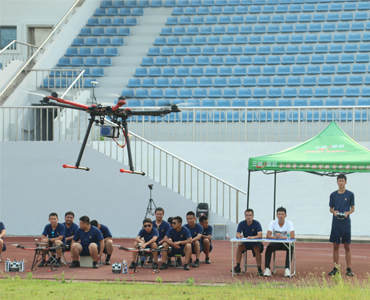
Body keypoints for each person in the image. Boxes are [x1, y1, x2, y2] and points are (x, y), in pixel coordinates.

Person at [328, 174, 355, 276]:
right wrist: (334, 212)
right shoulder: (333, 195)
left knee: (347, 246)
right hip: (336, 223)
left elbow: (353, 208)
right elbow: (331, 208)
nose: (341, 183)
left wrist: (347, 213)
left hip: (346, 224)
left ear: (346, 182)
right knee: (335, 246)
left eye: (343, 181)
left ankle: (349, 269)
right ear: (337, 182)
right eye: (339, 181)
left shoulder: (350, 194)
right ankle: (335, 268)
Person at [264, 207, 295, 277]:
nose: (280, 216)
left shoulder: (289, 223)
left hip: (286, 243)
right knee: (269, 248)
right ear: (276, 215)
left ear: (285, 215)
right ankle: (267, 269)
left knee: (290, 247)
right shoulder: (273, 223)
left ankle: (287, 269)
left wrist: (282, 237)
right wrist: (276, 237)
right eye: (279, 214)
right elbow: (268, 236)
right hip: (276, 242)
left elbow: (292, 236)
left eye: (282, 214)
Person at [233, 209, 264, 276]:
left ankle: (259, 268)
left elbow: (260, 235)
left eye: (250, 215)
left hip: (256, 242)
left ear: (253, 216)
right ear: (245, 216)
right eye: (247, 215)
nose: (248, 217)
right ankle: (238, 266)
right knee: (240, 247)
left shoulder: (257, 223)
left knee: (256, 248)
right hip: (246, 242)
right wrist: (239, 236)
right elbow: (237, 234)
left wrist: (252, 237)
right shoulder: (241, 223)